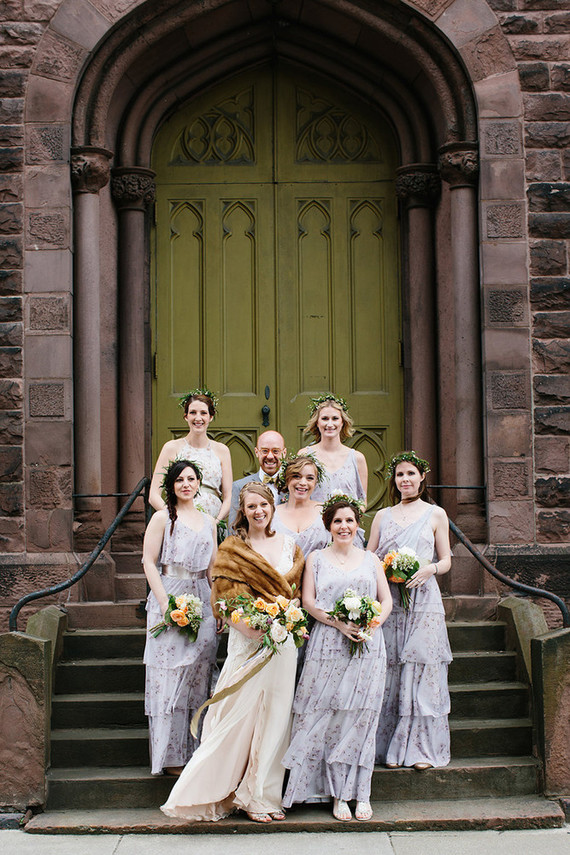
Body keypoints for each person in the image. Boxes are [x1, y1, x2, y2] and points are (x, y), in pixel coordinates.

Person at [161, 483, 304, 823]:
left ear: (273, 507)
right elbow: (224, 601)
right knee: (235, 716)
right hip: (247, 642)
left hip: (282, 643)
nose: (258, 511)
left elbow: (295, 595)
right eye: (251, 506)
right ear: (244, 511)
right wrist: (250, 628)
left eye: (264, 505)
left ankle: (262, 796)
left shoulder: (291, 548)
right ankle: (206, 789)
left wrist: (285, 617)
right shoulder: (232, 549)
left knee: (276, 718)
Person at [282, 495, 392, 822]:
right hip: (328, 644)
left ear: (358, 524)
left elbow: (385, 601)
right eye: (337, 522)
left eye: (349, 521)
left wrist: (370, 622)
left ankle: (361, 792)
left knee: (361, 718)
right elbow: (309, 601)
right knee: (328, 718)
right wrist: (339, 623)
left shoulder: (371, 559)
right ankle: (336, 794)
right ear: (328, 526)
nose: (344, 527)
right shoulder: (316, 558)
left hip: (367, 646)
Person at [367, 451, 452, 771]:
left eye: (410, 474)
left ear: (422, 478)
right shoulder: (382, 516)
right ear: (394, 480)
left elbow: (446, 560)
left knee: (422, 667)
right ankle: (388, 745)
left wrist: (429, 569)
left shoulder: (435, 514)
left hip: (424, 598)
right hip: (391, 598)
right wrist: (384, 571)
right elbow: (369, 555)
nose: (405, 480)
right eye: (400, 475)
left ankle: (420, 749)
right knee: (391, 666)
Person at [142, 459, 218, 776]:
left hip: (201, 592)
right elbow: (148, 560)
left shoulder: (210, 522)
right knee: (169, 677)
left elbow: (214, 569)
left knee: (198, 676)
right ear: (171, 486)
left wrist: (217, 606)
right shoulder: (163, 518)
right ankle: (170, 756)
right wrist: (164, 602)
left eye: (191, 478)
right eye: (179, 480)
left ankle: (195, 750)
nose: (186, 484)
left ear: (199, 483)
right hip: (170, 591)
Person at [149, 388, 232, 527]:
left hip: (213, 521)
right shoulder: (171, 448)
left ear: (211, 417)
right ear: (186, 416)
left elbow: (228, 497)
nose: (198, 418)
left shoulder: (222, 450)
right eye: (193, 412)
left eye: (203, 413)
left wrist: (216, 522)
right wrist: (174, 518)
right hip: (180, 520)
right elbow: (153, 496)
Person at [299, 395, 367, 545]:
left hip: (345, 533)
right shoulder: (305, 455)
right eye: (325, 419)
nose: (330, 424)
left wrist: (345, 518)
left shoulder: (357, 458)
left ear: (343, 422)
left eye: (335, 418)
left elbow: (362, 501)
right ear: (317, 422)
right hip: (314, 531)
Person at [272, 454, 331, 558]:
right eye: (296, 476)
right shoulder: (272, 513)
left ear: (315, 482)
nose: (303, 482)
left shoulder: (326, 511)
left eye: (310, 478)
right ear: (287, 479)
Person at [228, 430, 287, 530]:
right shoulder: (239, 486)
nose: (270, 456)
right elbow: (234, 528)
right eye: (265, 451)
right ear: (256, 452)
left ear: (284, 453)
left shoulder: (293, 486)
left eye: (275, 451)